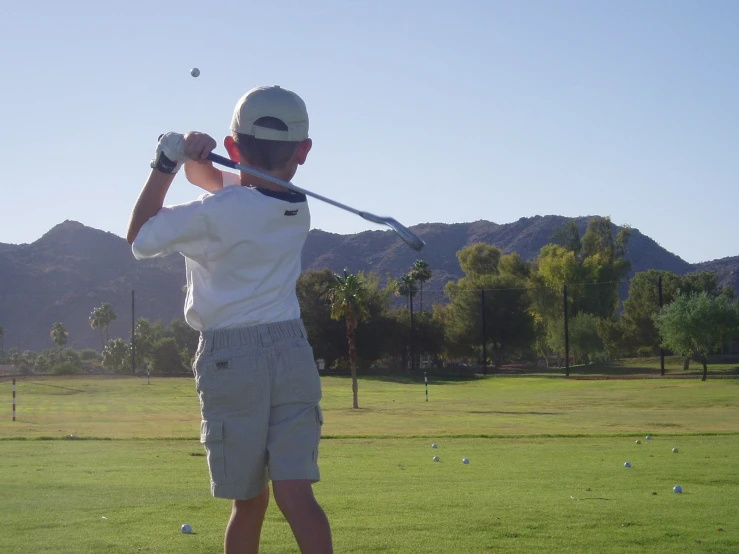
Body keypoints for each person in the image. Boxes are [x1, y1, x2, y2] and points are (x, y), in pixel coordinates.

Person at [126, 85, 333, 554]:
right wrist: (196, 158)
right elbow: (217, 181)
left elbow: (139, 237)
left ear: (234, 145)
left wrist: (166, 162)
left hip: (230, 359)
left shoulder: (215, 214)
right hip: (292, 352)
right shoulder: (296, 206)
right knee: (297, 496)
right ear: (303, 151)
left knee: (249, 500)